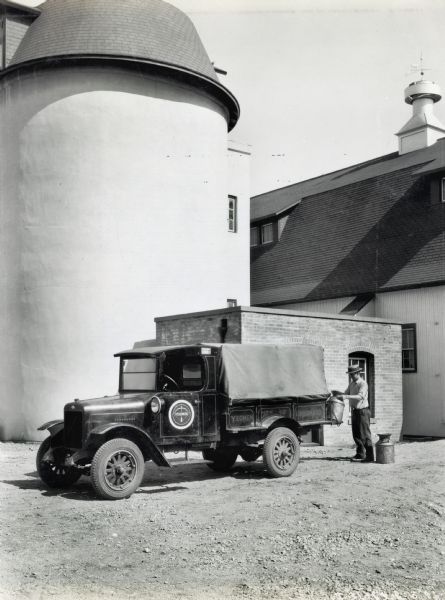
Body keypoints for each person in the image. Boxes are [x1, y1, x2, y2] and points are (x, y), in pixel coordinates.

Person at [336, 364, 374, 463]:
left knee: (365, 435)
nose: (351, 376)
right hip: (355, 411)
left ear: (358, 373)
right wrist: (338, 394)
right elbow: (346, 393)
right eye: (350, 375)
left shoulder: (363, 384)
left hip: (363, 412)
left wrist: (347, 397)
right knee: (356, 434)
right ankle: (360, 453)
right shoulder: (352, 384)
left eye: (353, 374)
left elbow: (360, 396)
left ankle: (370, 456)